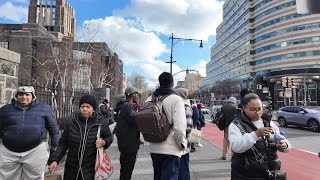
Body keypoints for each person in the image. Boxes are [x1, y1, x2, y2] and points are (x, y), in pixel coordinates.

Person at [0, 86, 60, 180]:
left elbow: (53, 128)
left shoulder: (44, 108)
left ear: (33, 96)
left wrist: (55, 145)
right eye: (21, 94)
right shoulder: (5, 110)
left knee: (34, 178)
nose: (24, 97)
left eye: (27, 94)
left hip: (35, 151)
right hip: (8, 153)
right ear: (16, 96)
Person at [48, 95, 113, 180]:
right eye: (82, 106)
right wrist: (55, 160)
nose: (85, 109)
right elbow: (63, 143)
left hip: (91, 168)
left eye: (88, 107)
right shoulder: (72, 122)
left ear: (93, 108)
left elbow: (109, 137)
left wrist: (104, 142)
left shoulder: (101, 122)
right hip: (72, 168)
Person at [229, 93, 291, 179]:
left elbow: (280, 138)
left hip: (271, 173)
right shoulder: (236, 124)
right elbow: (236, 147)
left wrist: (284, 145)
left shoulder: (268, 122)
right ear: (244, 108)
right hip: (246, 174)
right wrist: (256, 134)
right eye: (253, 109)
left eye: (259, 109)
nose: (257, 112)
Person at [148, 72, 187, 180]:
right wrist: (182, 144)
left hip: (154, 147)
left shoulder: (149, 99)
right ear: (172, 84)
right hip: (171, 149)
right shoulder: (176, 99)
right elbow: (179, 127)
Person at [114, 86, 142, 180]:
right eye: (137, 94)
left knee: (125, 171)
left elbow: (127, 125)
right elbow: (135, 120)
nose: (137, 97)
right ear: (133, 95)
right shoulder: (127, 106)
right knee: (127, 172)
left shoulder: (124, 106)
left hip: (126, 143)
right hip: (128, 146)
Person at [174, 88, 193, 180]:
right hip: (179, 143)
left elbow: (189, 126)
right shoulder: (179, 106)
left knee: (183, 169)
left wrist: (179, 135)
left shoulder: (185, 107)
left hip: (183, 144)